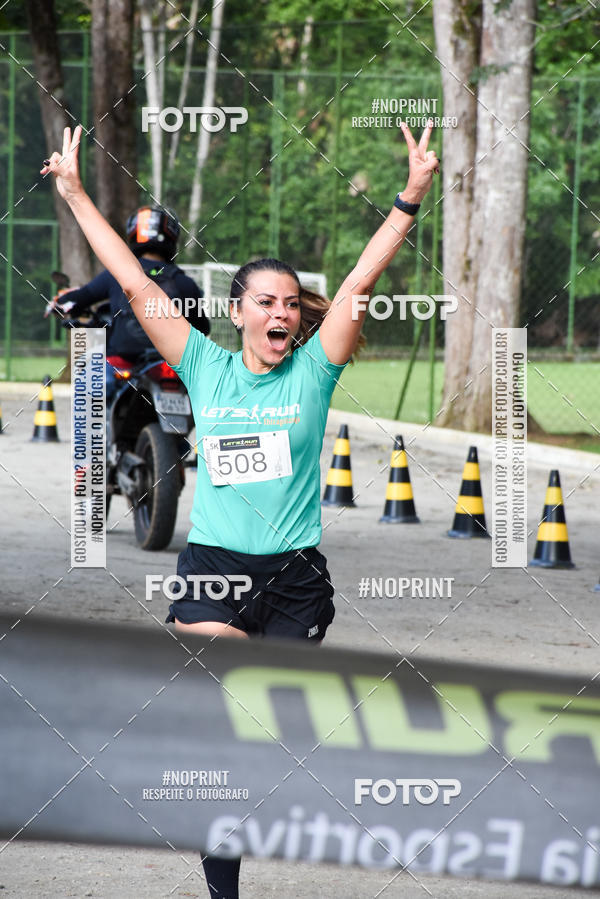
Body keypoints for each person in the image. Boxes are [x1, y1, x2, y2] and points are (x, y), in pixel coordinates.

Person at [41, 120, 439, 899]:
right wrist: (79, 195)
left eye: (292, 302)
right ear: (239, 311)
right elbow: (133, 282)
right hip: (216, 571)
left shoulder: (315, 372)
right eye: (267, 301)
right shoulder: (205, 364)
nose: (282, 311)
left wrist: (409, 198)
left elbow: (356, 285)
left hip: (293, 580)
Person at [45, 205, 210, 402]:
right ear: (172, 236)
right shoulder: (185, 283)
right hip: (172, 364)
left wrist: (58, 302)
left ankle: (88, 434)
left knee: (88, 383)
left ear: (133, 234)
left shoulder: (119, 275)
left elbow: (79, 298)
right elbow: (202, 327)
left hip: (123, 361)